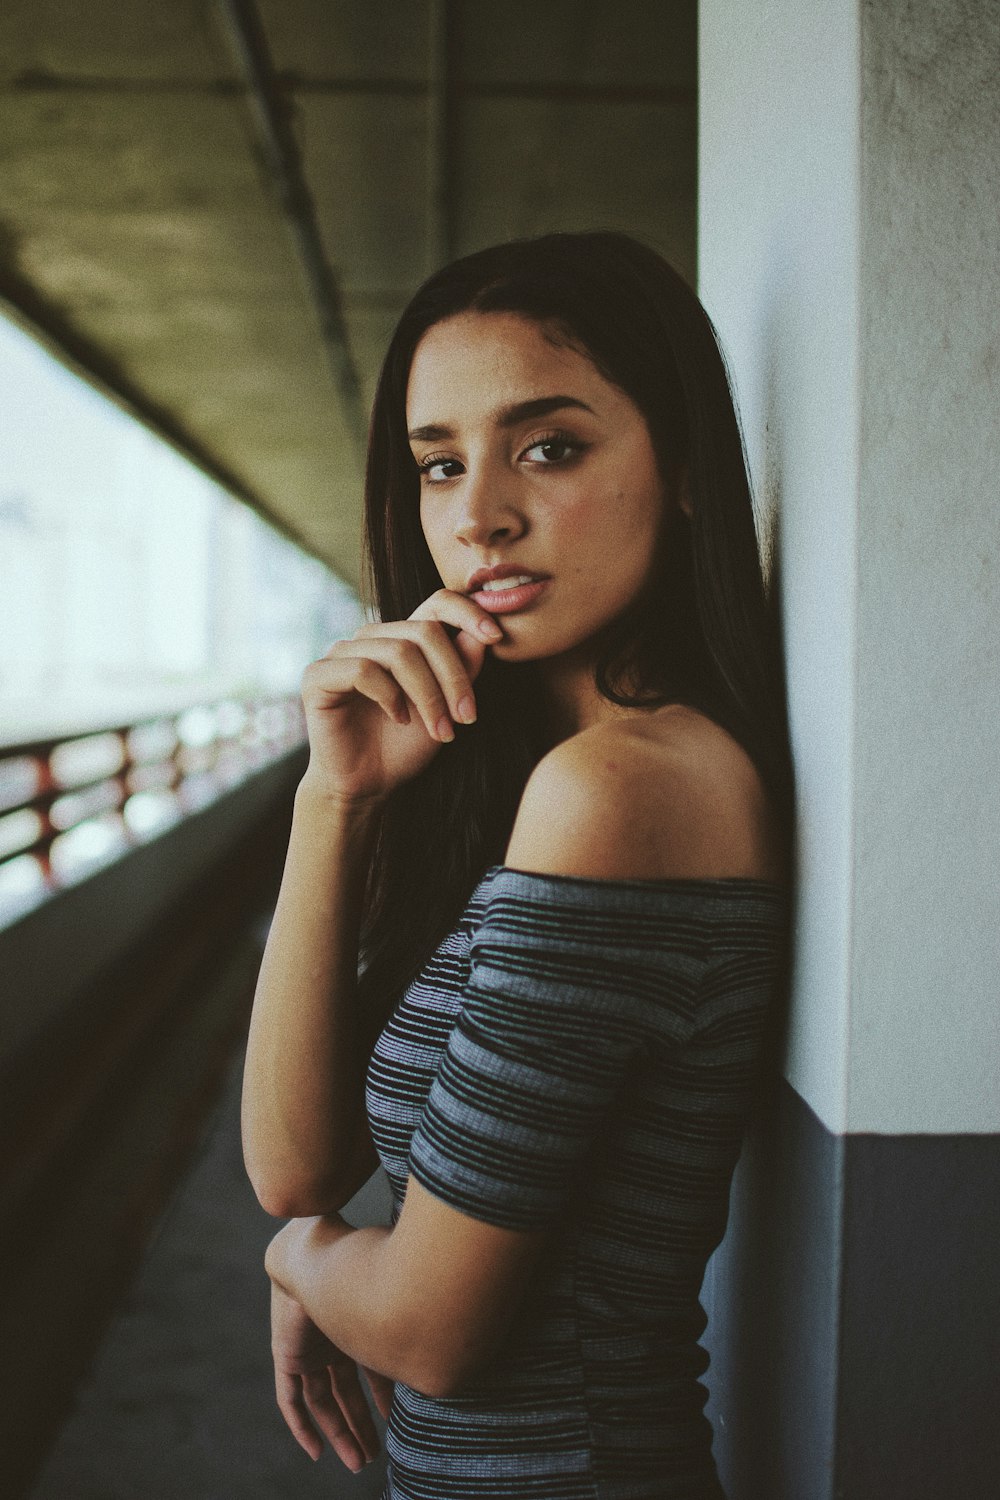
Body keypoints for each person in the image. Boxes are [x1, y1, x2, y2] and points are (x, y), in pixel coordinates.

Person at [241, 230, 792, 1499]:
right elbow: (296, 1169)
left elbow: (429, 1332)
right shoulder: (541, 779)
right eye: (439, 464)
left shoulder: (621, 793)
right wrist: (335, 802)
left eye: (548, 447)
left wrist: (299, 1263)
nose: (479, 514)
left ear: (689, 468)